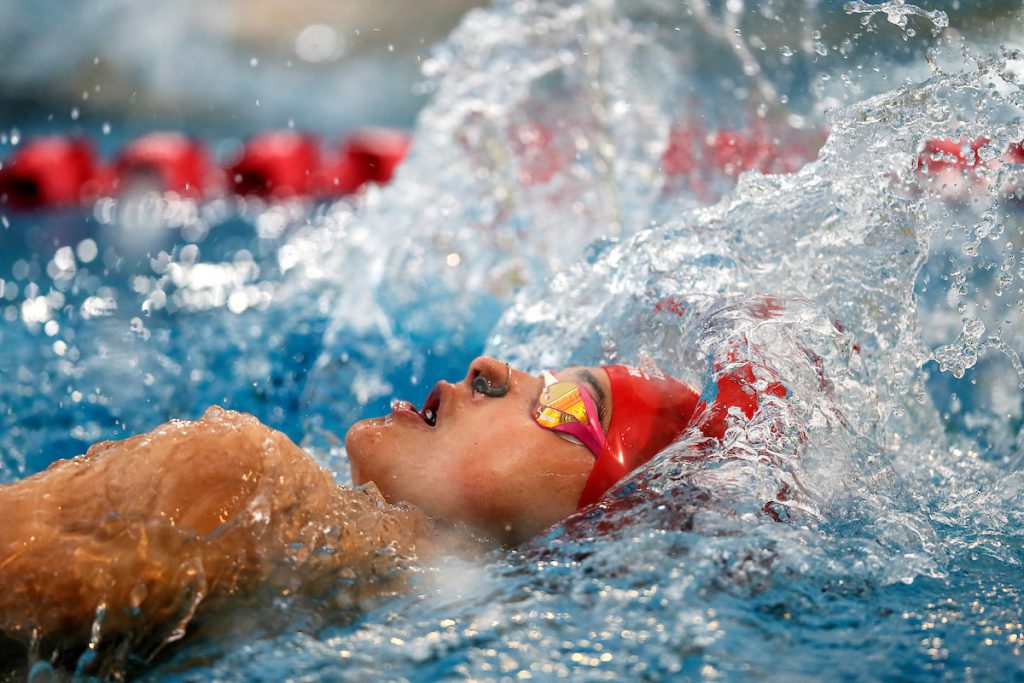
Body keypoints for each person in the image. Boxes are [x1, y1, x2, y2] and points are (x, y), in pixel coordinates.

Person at [0, 354, 778, 671]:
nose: (491, 366)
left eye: (572, 402)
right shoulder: (261, 507)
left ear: (589, 526)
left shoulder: (248, 487)